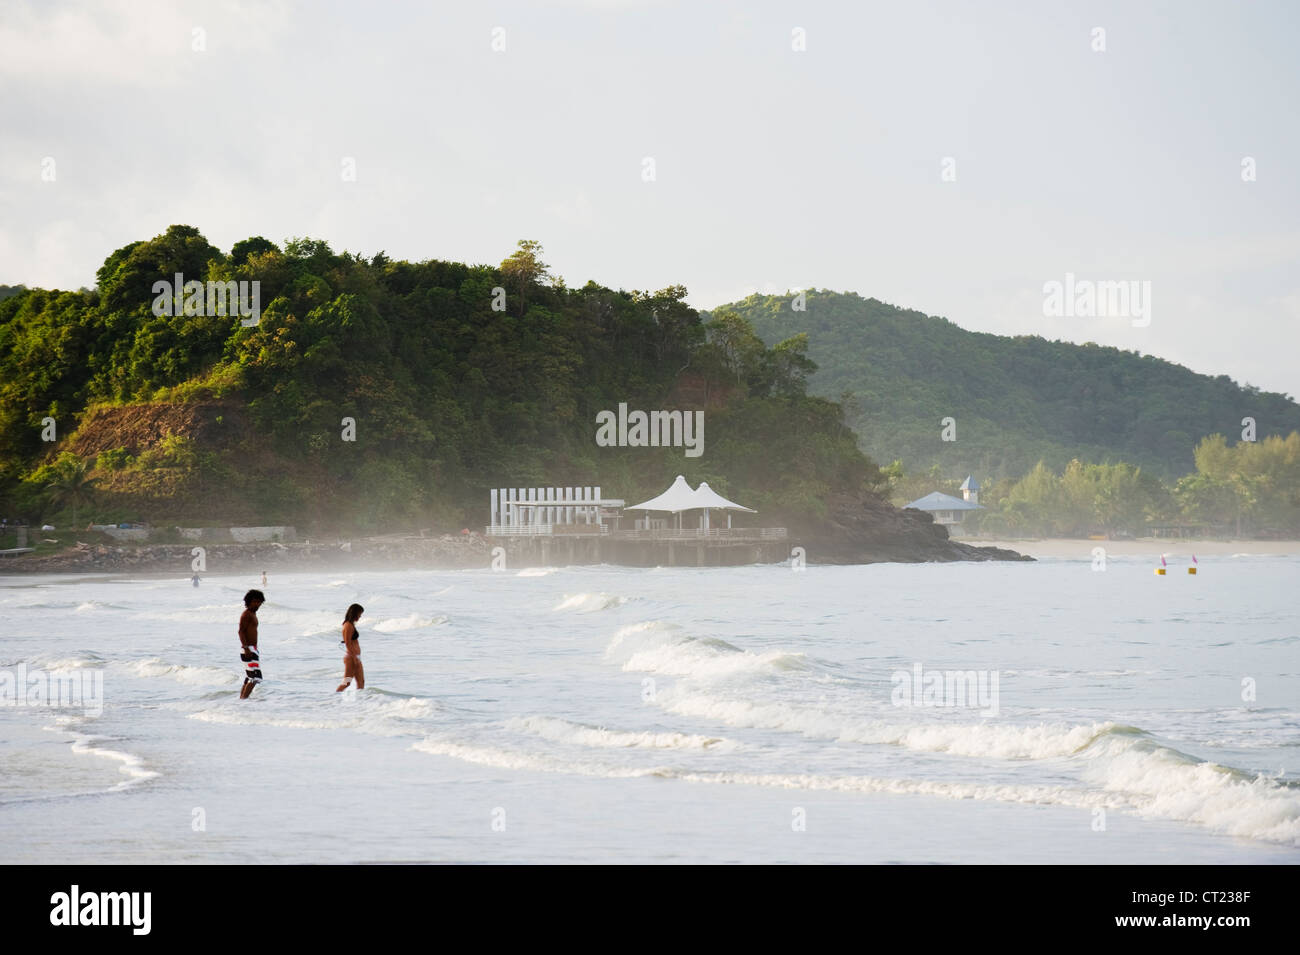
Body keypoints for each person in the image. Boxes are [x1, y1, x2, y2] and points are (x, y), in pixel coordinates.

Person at [238, 589, 266, 699]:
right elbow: (241, 631)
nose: (257, 604)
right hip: (248, 648)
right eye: (254, 601)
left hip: (252, 648)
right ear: (249, 601)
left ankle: (242, 700)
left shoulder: (253, 614)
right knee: (256, 678)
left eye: (259, 602)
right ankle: (243, 699)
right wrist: (246, 648)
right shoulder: (246, 614)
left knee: (249, 677)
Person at [336, 603, 364, 692]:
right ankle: (334, 699)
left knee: (361, 682)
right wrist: (354, 657)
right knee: (347, 682)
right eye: (359, 614)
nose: (360, 616)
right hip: (351, 658)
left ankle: (360, 702)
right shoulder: (347, 625)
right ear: (355, 613)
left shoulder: (351, 625)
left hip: (356, 657)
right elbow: (348, 643)